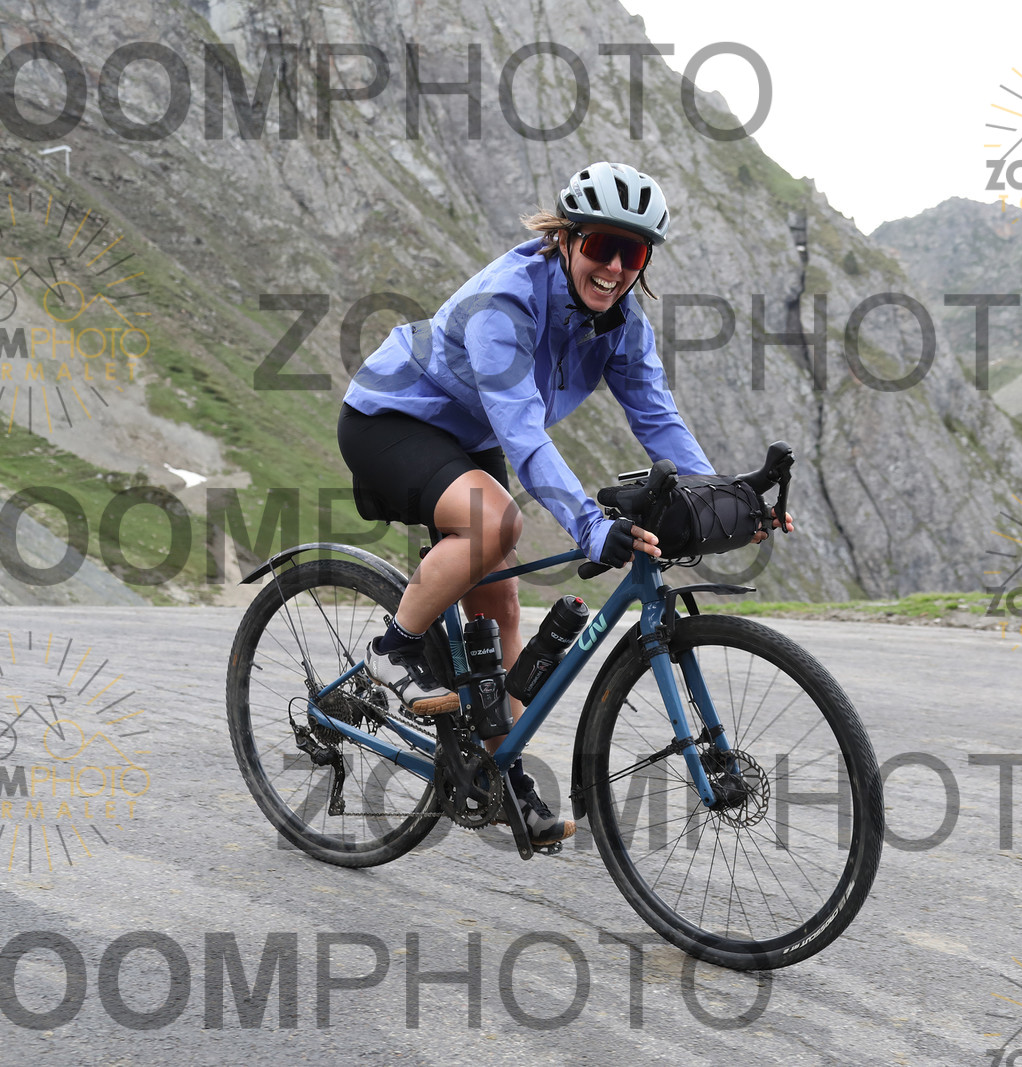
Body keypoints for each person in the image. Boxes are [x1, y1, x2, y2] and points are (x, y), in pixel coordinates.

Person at [338, 161, 789, 847]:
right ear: (566, 239)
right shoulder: (506, 303)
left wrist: (726, 500)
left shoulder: (622, 322)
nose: (614, 268)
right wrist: (589, 525)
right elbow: (523, 433)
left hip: (469, 434)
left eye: (632, 254)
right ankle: (391, 649)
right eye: (602, 246)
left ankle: (498, 774)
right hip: (391, 418)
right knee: (496, 522)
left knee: (501, 605)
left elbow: (658, 419)